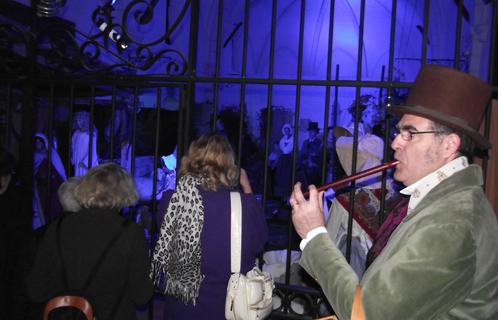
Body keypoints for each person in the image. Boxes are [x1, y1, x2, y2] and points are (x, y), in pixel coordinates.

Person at [289, 65, 498, 319]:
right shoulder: (442, 200)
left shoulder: (449, 222)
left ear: (449, 145)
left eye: (410, 134)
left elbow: (366, 314)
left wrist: (314, 235)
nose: (395, 143)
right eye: (399, 132)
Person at [151, 133, 268, 320]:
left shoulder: (171, 201)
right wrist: (247, 189)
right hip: (225, 308)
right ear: (230, 165)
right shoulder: (244, 206)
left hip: (180, 309)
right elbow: (259, 243)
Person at [27, 163, 153, 320]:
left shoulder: (59, 227)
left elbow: (36, 290)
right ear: (125, 192)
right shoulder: (131, 233)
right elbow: (141, 295)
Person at [325, 127, 403, 278]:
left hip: (352, 268)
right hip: (386, 268)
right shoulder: (396, 191)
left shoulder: (345, 199)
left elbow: (326, 241)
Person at [33, 132, 67, 227]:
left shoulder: (51, 153)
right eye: (36, 141)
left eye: (40, 141)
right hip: (40, 188)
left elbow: (59, 169)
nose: (38, 143)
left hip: (53, 186)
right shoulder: (34, 155)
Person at [71, 111, 99, 177]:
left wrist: (85, 162)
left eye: (81, 119)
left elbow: (93, 150)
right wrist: (73, 158)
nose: (79, 122)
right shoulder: (76, 133)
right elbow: (72, 147)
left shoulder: (91, 134)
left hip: (85, 164)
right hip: (78, 160)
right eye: (77, 119)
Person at [297, 121, 323, 189]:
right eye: (310, 131)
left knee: (313, 184)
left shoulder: (319, 143)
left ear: (316, 133)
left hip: (314, 168)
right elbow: (302, 153)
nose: (311, 133)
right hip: (304, 167)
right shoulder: (305, 142)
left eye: (313, 131)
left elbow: (317, 154)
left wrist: (312, 159)